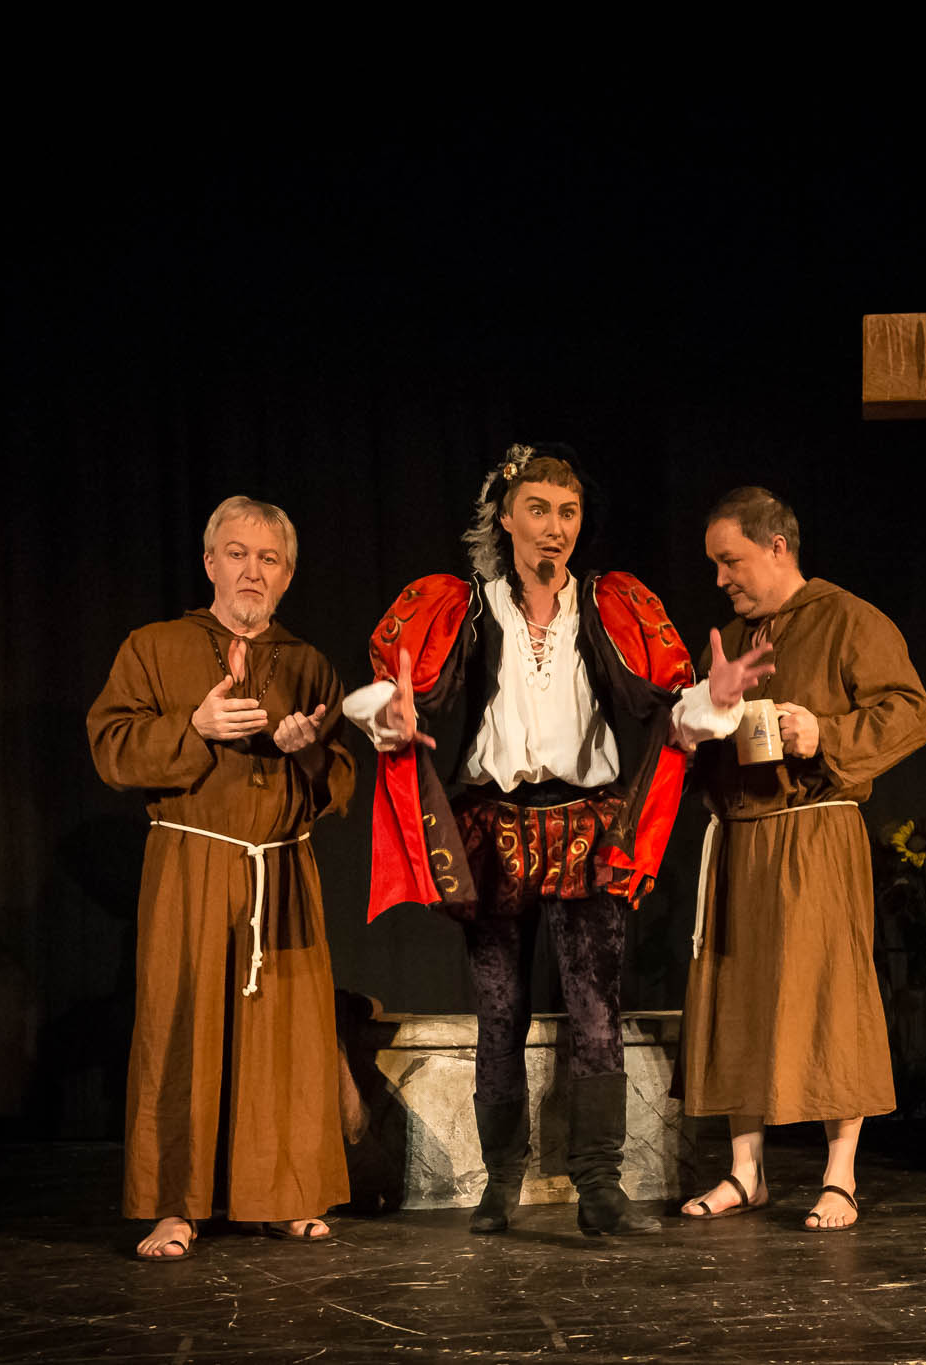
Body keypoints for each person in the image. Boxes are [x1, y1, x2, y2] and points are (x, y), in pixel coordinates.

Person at [343, 444, 771, 1237]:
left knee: (596, 1011)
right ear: (505, 517)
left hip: (586, 825)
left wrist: (712, 700)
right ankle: (500, 1182)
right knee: (499, 1012)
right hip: (493, 827)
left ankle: (599, 1186)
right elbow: (391, 693)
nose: (554, 526)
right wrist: (391, 715)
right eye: (537, 509)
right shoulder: (463, 606)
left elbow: (668, 707)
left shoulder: (609, 605)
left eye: (567, 512)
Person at [88, 496, 355, 1260]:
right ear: (210, 562)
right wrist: (194, 727)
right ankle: (175, 1206)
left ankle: (283, 1195)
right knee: (182, 1029)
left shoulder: (308, 664)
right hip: (191, 863)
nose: (252, 571)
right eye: (237, 553)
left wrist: (307, 748)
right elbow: (111, 747)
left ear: (288, 575)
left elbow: (340, 779)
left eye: (269, 559)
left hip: (282, 868)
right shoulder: (154, 646)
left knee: (285, 1035)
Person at [677, 487, 926, 1231]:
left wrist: (825, 734)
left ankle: (839, 1174)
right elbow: (691, 739)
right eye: (715, 564)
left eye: (731, 560)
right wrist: (702, 717)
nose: (720, 578)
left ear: (777, 546)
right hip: (741, 837)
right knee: (738, 993)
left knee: (829, 995)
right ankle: (746, 1171)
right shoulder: (730, 638)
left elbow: (912, 711)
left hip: (814, 831)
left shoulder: (848, 618)